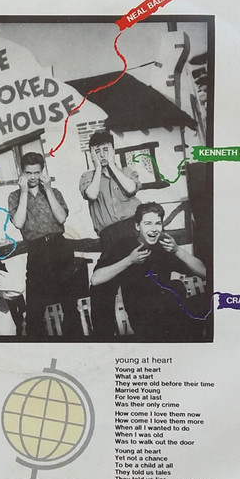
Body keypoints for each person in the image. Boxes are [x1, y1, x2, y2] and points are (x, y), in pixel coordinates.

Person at [91, 202, 206, 340]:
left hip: (171, 312)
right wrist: (129, 260)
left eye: (158, 223)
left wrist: (178, 251)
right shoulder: (124, 246)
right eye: (148, 223)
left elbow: (204, 272)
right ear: (137, 226)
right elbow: (95, 279)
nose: (154, 229)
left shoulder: (164, 246)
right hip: (145, 320)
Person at [8, 152, 81, 337]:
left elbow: (61, 218)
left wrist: (48, 190)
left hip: (60, 248)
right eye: (29, 173)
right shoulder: (15, 196)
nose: (33, 177)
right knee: (35, 310)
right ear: (22, 172)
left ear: (43, 171)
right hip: (37, 251)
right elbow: (18, 222)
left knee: (70, 306)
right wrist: (24, 192)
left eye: (37, 172)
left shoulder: (54, 192)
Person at [79, 130, 141, 336]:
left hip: (133, 234)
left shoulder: (127, 171)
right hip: (110, 240)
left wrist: (112, 165)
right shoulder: (88, 177)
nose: (102, 154)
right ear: (91, 154)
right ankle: (105, 339)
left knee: (137, 291)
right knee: (100, 289)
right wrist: (99, 167)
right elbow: (91, 194)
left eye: (106, 149)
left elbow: (131, 189)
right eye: (97, 151)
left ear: (113, 150)